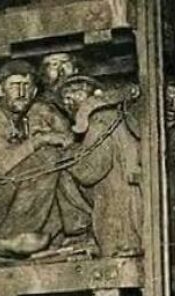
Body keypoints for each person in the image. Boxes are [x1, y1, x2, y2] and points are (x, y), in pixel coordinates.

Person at [0, 59, 91, 258]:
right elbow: (1, 165)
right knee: (47, 157)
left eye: (26, 86)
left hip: (3, 203)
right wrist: (39, 140)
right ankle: (13, 235)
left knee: (62, 159)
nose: (21, 92)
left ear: (34, 93)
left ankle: (72, 232)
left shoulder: (21, 120)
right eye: (14, 86)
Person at [60, 74, 143, 258]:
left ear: (96, 94)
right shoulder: (117, 116)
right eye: (66, 95)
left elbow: (90, 172)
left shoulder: (99, 120)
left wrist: (68, 153)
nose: (69, 100)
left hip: (118, 214)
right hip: (131, 204)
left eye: (77, 92)